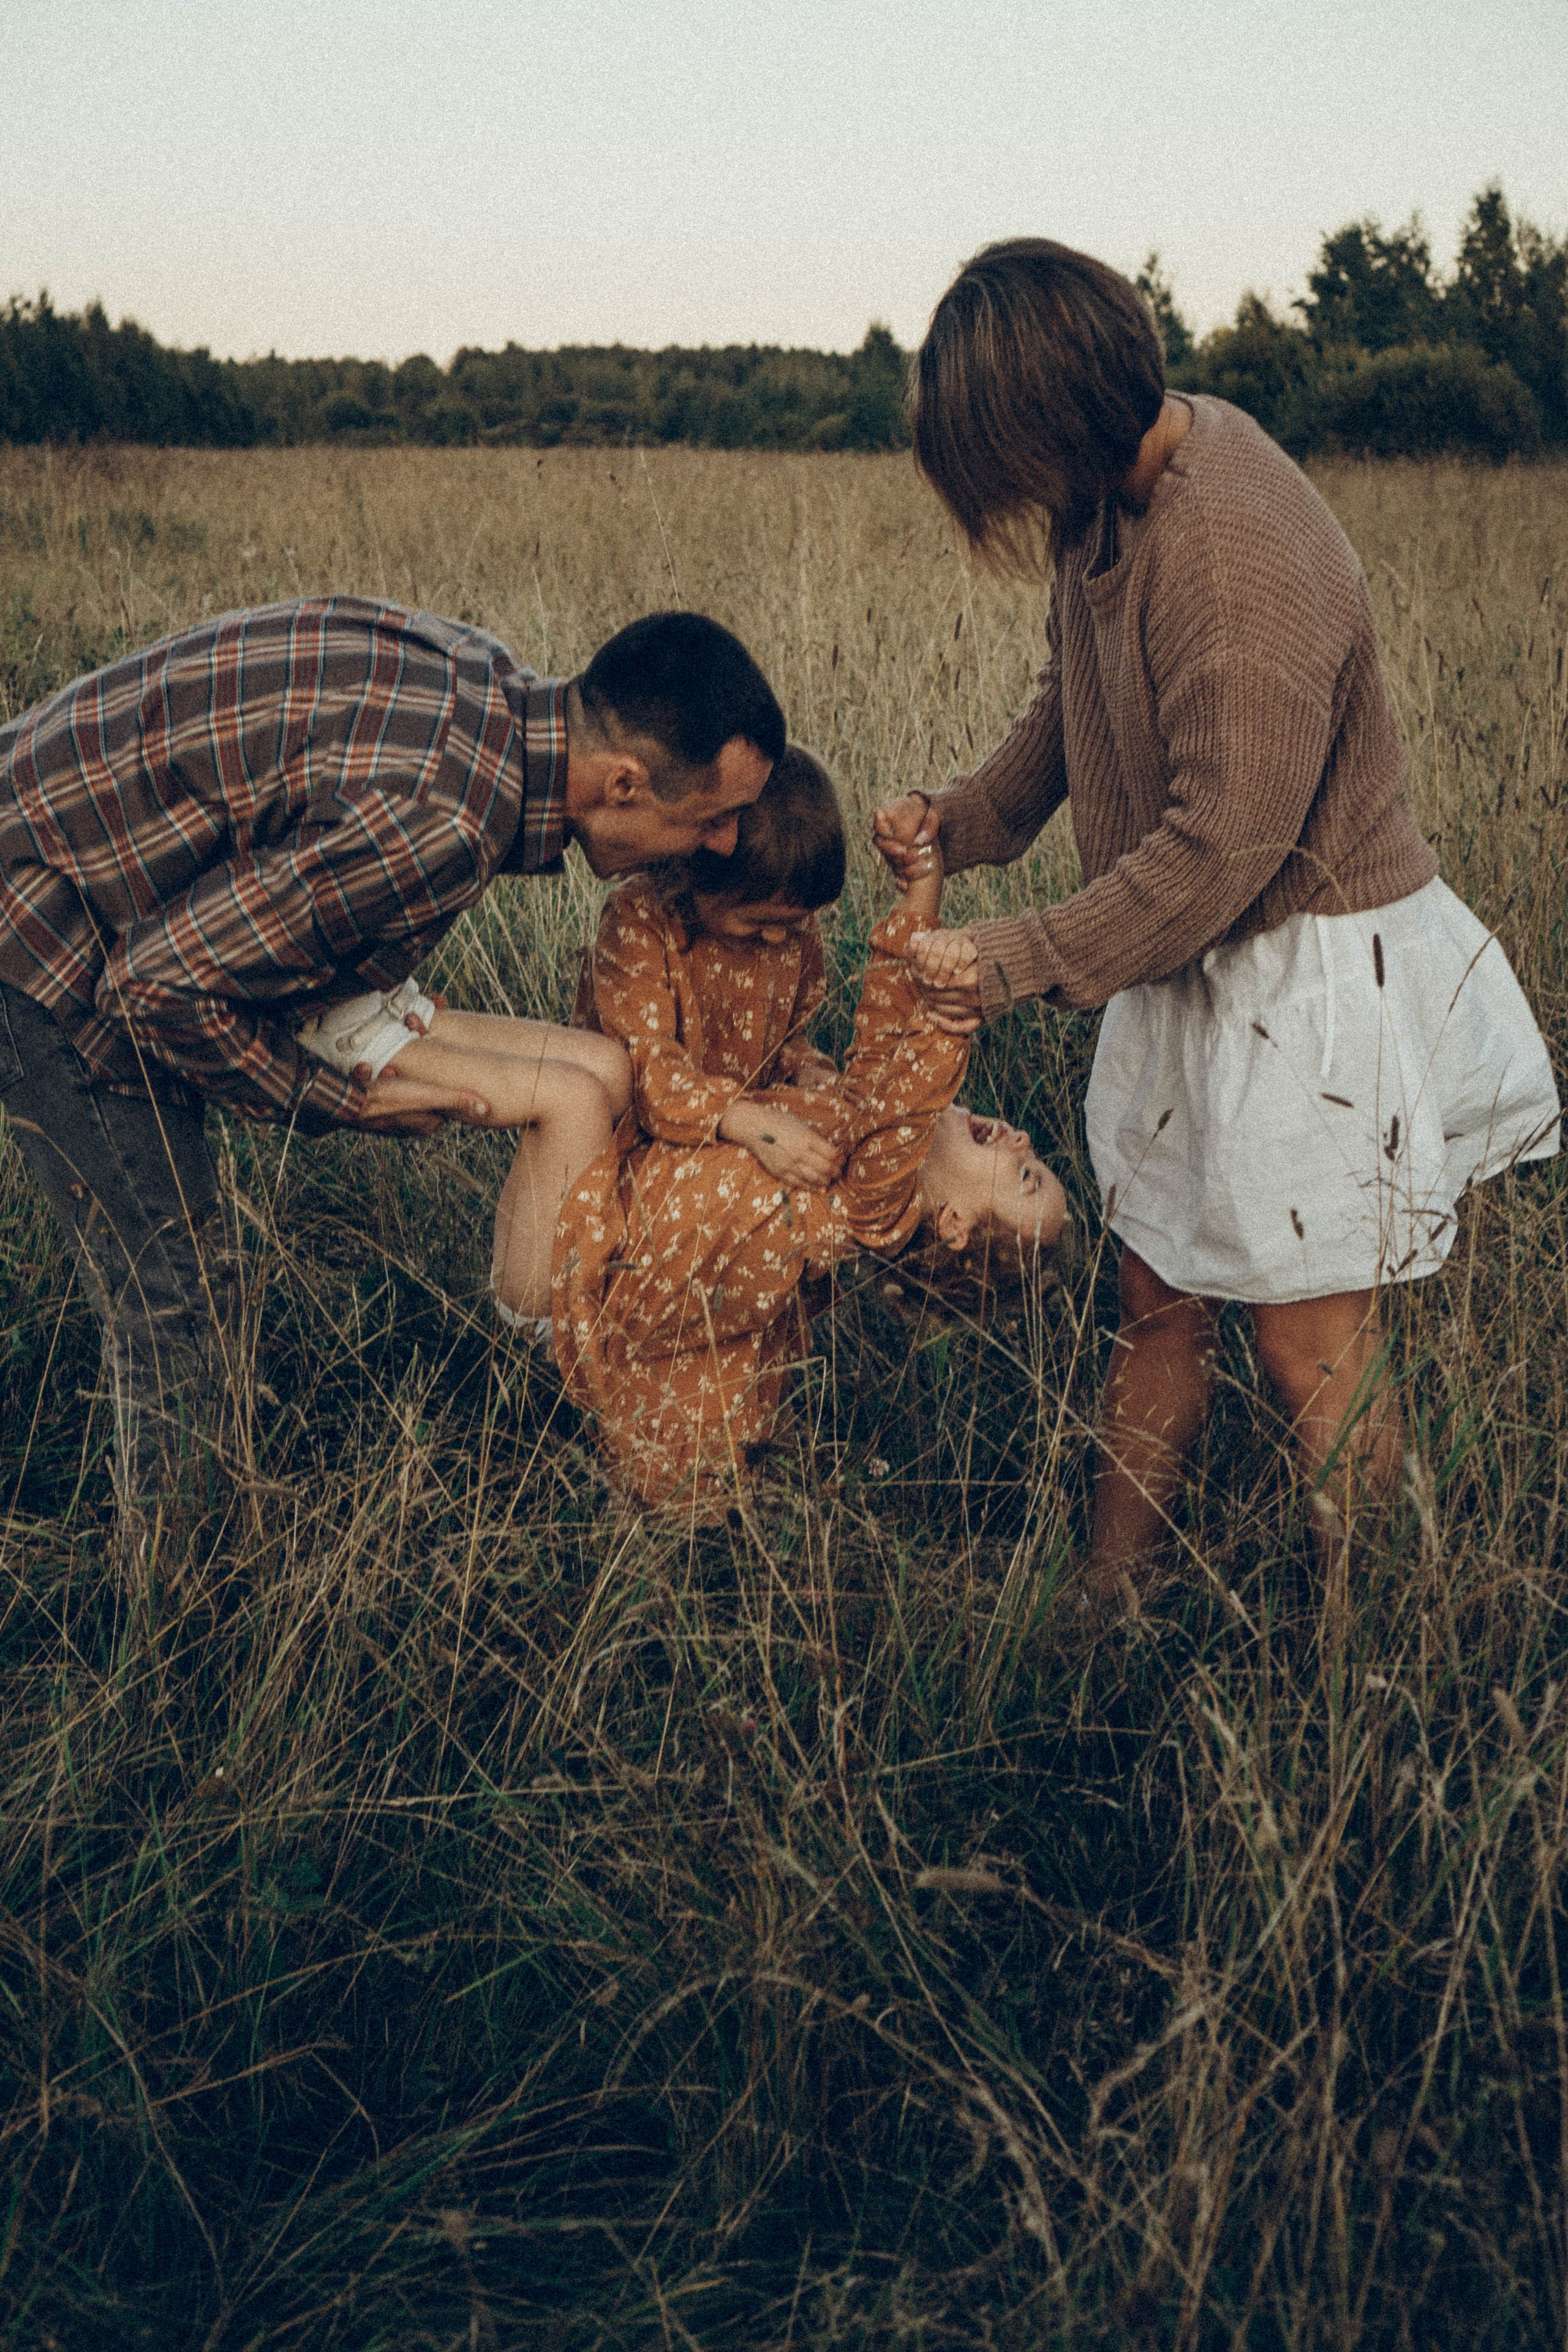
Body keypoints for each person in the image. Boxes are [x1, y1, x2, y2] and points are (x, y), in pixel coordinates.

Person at [873, 237, 1559, 1605]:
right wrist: (964, 821)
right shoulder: (1104, 503)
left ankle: (1373, 1667)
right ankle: (1105, 1597)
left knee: (1308, 1351)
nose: (997, 499)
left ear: (1052, 425)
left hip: (1298, 974)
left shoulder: (1236, 549)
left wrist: (1010, 960)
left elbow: (1218, 857)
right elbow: (1074, 705)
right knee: (1157, 1302)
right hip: (1180, 968)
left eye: (993, 459)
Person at [0, 597, 785, 1554]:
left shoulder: (486, 685)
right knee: (181, 1295)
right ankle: (173, 1629)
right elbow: (153, 988)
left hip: (72, 863)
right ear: (622, 782)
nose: (725, 847)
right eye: (712, 819)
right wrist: (338, 1101)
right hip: (38, 937)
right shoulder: (446, 821)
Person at [499, 842, 1066, 1514]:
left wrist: (944, 970)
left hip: (584, 1285)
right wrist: (919, 890)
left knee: (572, 1092)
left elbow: (909, 1075)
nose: (1023, 1141)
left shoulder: (879, 1201)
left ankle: (383, 1045)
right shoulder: (861, 1139)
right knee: (592, 1077)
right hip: (603, 1244)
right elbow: (884, 1040)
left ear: (952, 1225)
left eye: (1025, 1176)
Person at [586, 742, 845, 1190]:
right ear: (696, 876)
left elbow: (789, 1040)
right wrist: (755, 1126)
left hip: (754, 1121)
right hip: (652, 1142)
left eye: (796, 923)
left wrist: (812, 1077)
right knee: (763, 1189)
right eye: (757, 923)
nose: (780, 938)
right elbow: (650, 1075)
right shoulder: (640, 921)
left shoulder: (788, 923)